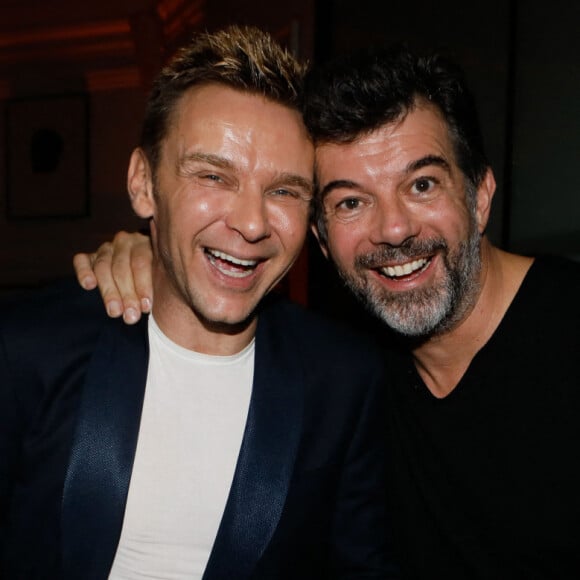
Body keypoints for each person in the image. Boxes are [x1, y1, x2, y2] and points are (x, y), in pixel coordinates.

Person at [83, 45, 580, 578]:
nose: (393, 229)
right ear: (320, 238)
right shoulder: (349, 371)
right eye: (351, 202)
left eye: (422, 184)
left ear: (479, 197)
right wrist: (151, 253)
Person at [0, 27, 399, 579]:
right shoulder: (27, 348)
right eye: (214, 175)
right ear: (144, 184)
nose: (253, 223)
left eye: (284, 190)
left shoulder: (343, 380)